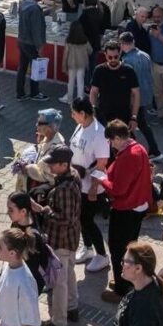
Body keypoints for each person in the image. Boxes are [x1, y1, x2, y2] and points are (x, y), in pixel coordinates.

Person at [90, 241, 163, 326]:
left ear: (138, 268)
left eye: (125, 261)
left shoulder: (145, 306)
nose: (121, 264)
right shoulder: (152, 287)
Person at [99, 120, 153, 303]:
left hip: (127, 208)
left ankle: (122, 289)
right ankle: (125, 277)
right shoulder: (138, 148)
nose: (110, 144)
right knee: (130, 245)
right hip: (139, 205)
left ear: (118, 138)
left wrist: (101, 180)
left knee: (117, 247)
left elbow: (117, 189)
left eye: (111, 140)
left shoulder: (129, 155)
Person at [36, 146, 81, 326]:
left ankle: (59, 321)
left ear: (64, 164)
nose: (50, 165)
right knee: (69, 273)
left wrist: (46, 211)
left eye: (53, 163)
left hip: (61, 240)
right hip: (71, 238)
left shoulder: (64, 188)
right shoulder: (72, 176)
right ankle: (72, 307)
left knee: (59, 282)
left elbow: (66, 218)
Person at [68, 99, 111, 274]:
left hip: (91, 188)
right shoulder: (81, 126)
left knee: (87, 220)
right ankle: (87, 248)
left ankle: (101, 255)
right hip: (78, 183)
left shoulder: (99, 133)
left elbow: (102, 163)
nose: (71, 115)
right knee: (80, 219)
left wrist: (94, 187)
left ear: (83, 114)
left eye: (73, 112)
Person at [90, 40, 139, 131]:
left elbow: (136, 94)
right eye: (110, 57)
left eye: (116, 57)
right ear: (105, 55)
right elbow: (94, 92)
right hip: (104, 116)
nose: (113, 60)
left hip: (124, 117)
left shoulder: (128, 71)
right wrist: (93, 111)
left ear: (120, 54)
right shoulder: (99, 70)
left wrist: (134, 117)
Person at [16, 0, 47, 101]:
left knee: (22, 68)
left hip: (22, 40)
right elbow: (36, 29)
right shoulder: (35, 8)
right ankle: (34, 92)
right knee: (36, 68)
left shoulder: (24, 3)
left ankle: (20, 93)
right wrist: (39, 46)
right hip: (31, 43)